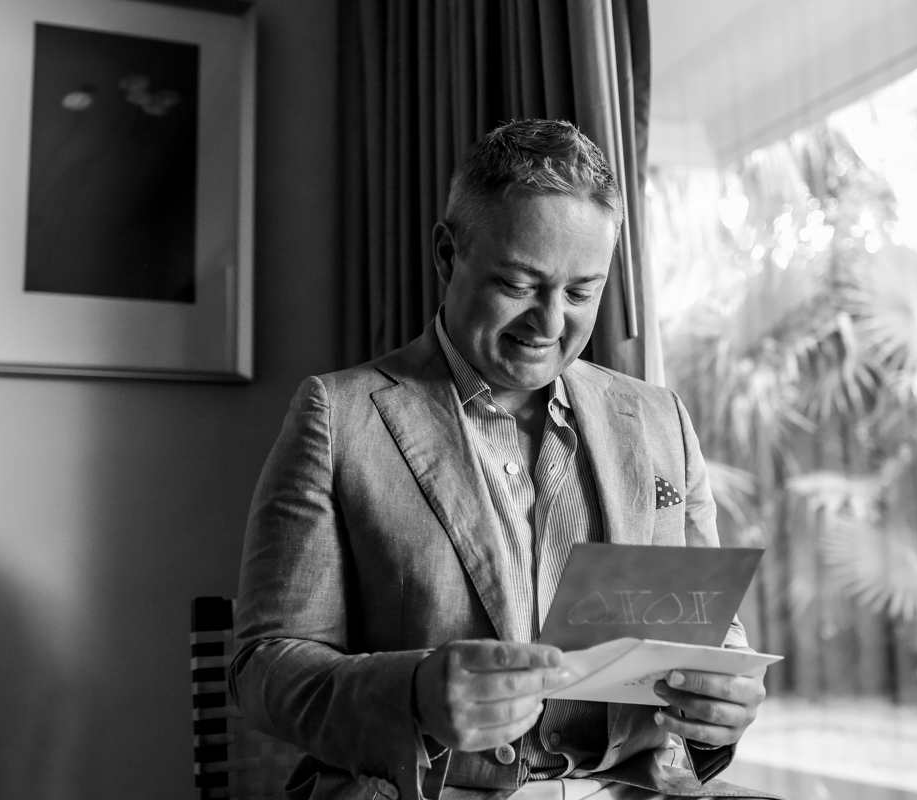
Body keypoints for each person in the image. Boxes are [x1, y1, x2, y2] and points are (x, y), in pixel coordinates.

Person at [230, 119, 770, 800]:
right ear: (448, 255)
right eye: (519, 283)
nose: (549, 324)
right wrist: (416, 694)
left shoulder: (661, 419)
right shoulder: (337, 417)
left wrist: (722, 706)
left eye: (580, 292)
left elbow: (710, 635)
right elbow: (262, 671)